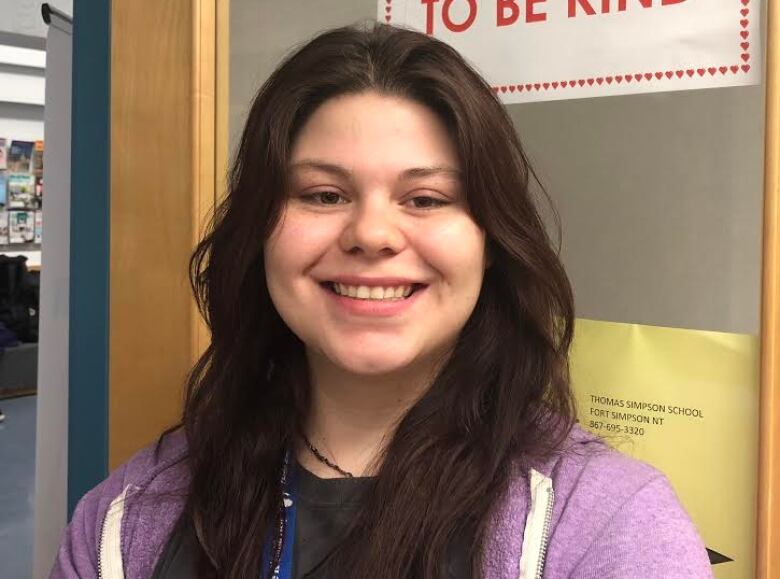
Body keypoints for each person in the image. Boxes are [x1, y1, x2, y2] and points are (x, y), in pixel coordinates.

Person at [51, 22, 712, 579]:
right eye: (322, 194)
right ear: (259, 233)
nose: (370, 233)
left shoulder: (609, 526)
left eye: (425, 199)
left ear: (490, 242)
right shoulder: (124, 519)